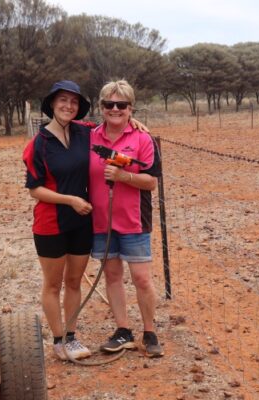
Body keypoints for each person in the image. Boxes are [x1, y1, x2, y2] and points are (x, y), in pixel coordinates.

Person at [89, 80, 164, 358]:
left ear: (131, 108)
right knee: (112, 275)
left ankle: (149, 331)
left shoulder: (143, 139)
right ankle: (123, 330)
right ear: (101, 107)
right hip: (101, 222)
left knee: (142, 279)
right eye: (109, 104)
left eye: (122, 104)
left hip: (134, 221)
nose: (115, 109)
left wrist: (123, 177)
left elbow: (151, 182)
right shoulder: (91, 136)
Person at [22, 80, 94, 360]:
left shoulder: (85, 133)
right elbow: (34, 190)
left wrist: (134, 121)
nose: (68, 106)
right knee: (53, 285)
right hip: (51, 222)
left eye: (74, 102)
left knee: (74, 281)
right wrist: (71, 200)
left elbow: (115, 126)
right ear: (52, 104)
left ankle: (72, 337)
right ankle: (58, 340)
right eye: (63, 100)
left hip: (82, 221)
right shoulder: (38, 145)